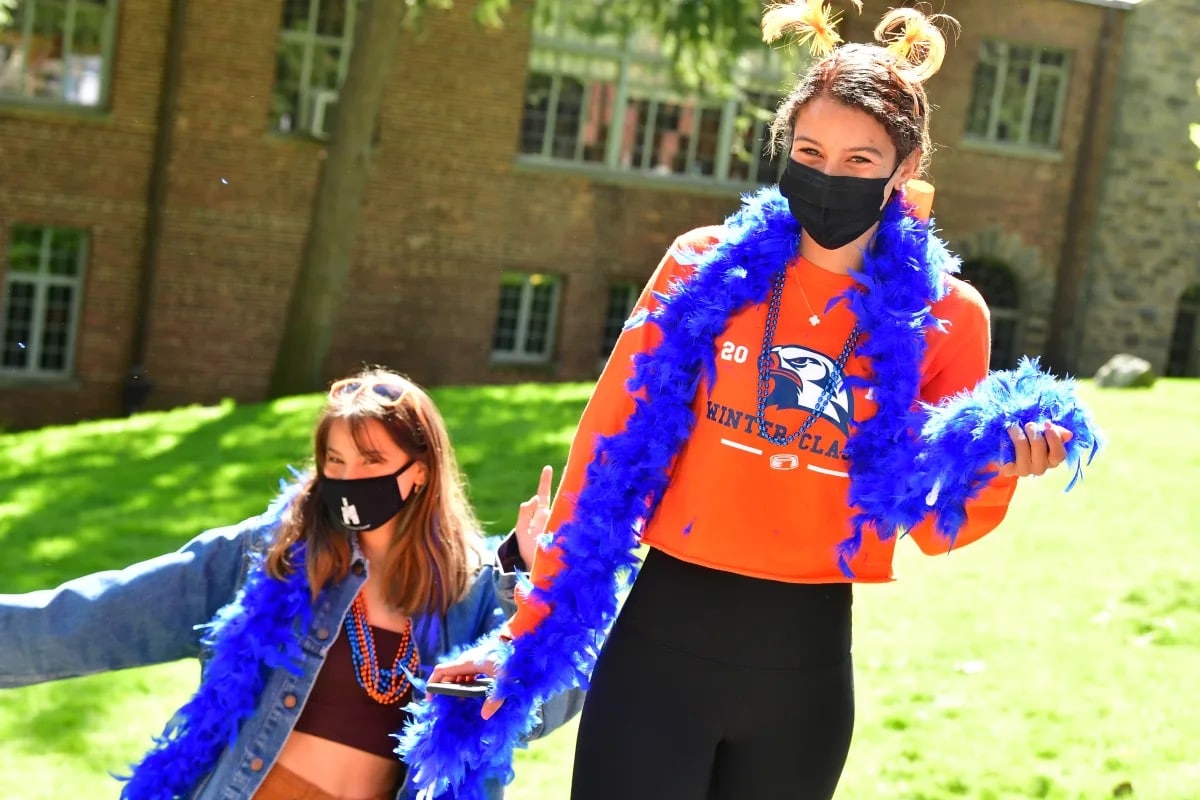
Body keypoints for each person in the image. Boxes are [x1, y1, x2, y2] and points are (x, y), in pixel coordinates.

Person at [400, 2, 1103, 798]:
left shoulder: (948, 315)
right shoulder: (704, 266)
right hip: (658, 654)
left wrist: (1001, 463)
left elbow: (935, 522)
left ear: (904, 170)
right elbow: (608, 454)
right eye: (809, 150)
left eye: (859, 159)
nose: (828, 175)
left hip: (802, 672)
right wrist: (526, 634)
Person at [0, 367, 582, 800]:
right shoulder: (270, 556)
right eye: (335, 462)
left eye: (372, 462)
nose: (349, 479)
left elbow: (539, 712)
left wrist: (533, 588)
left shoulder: (476, 588)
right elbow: (97, 617)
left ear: (420, 472)